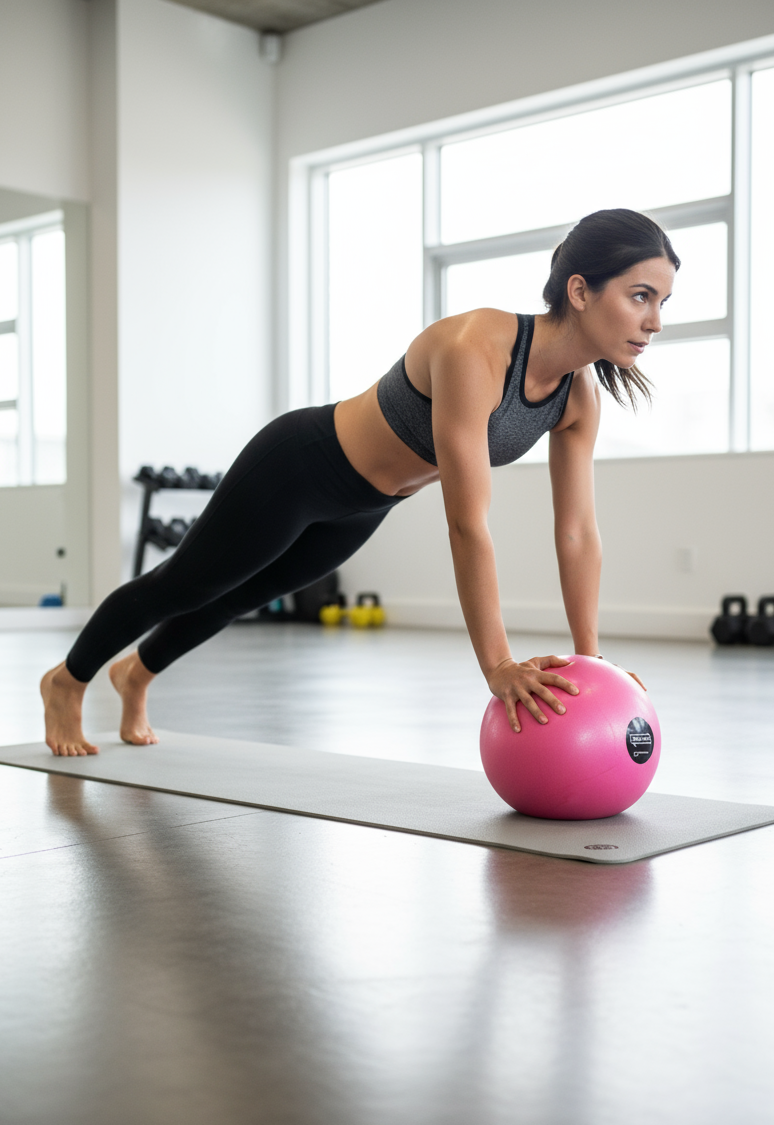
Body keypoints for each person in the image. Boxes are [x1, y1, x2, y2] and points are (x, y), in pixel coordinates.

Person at [41, 208, 678, 756]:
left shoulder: (577, 400)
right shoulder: (476, 348)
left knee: (238, 598)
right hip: (300, 465)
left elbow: (577, 533)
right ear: (580, 290)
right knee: (183, 584)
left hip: (367, 503)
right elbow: (467, 522)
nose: (653, 321)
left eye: (662, 303)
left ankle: (137, 676)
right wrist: (498, 666)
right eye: (640, 296)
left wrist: (590, 660)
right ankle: (68, 681)